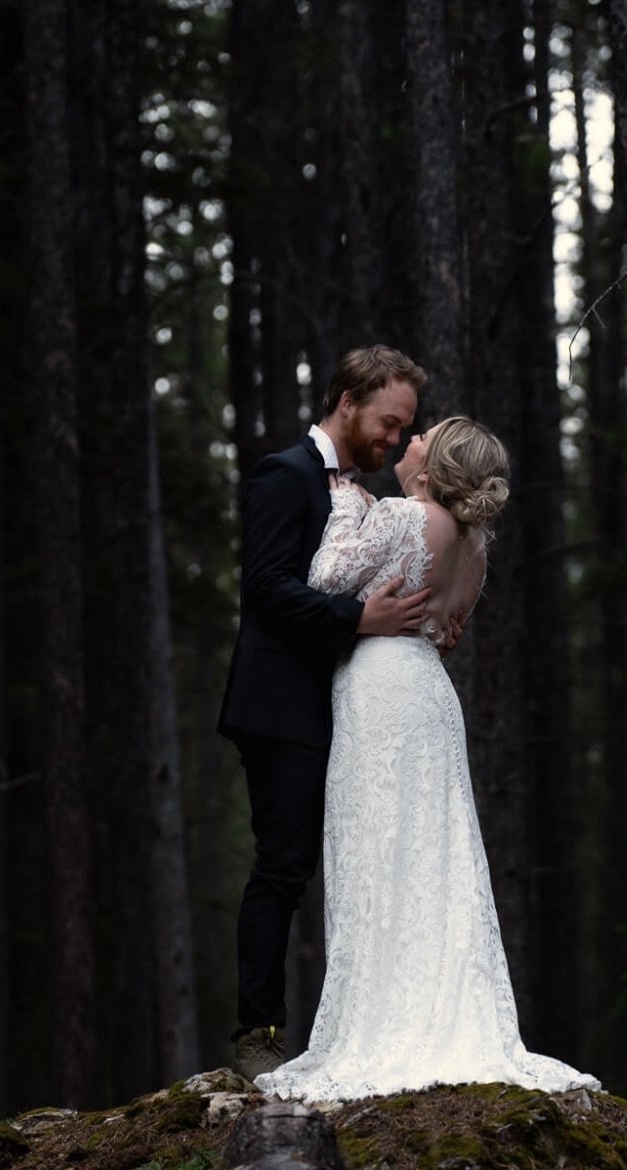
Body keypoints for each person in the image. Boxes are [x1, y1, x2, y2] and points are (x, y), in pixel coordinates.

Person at [255, 416, 599, 1101]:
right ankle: (435, 1008)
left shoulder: (407, 515)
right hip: (428, 694)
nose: (409, 439)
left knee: (377, 848)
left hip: (382, 689)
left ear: (434, 463)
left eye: (422, 436)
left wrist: (348, 506)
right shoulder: (473, 546)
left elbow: (325, 574)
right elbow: (446, 630)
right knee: (432, 852)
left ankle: (382, 1025)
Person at [218, 346, 433, 1081]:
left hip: (343, 706)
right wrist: (357, 620)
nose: (395, 440)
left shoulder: (358, 491)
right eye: (388, 422)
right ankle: (257, 1033)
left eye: (403, 429)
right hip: (280, 705)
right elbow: (266, 588)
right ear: (347, 401)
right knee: (283, 866)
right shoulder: (286, 474)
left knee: (340, 864)